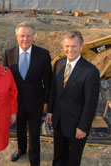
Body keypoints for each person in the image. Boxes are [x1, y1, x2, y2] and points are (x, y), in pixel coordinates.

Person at [46, 30, 100, 166]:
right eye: (67, 46)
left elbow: (90, 103)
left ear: (81, 46)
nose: (70, 50)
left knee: (73, 160)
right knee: (58, 156)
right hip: (58, 121)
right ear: (63, 47)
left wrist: (83, 127)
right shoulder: (59, 63)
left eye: (74, 46)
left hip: (77, 125)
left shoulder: (91, 71)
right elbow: (54, 90)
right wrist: (51, 111)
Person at [3, 22, 52, 166]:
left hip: (36, 101)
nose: (25, 39)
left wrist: (46, 102)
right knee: (20, 129)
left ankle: (34, 159)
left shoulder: (43, 54)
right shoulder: (8, 53)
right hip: (16, 101)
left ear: (33, 36)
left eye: (28, 36)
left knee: (34, 132)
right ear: (17, 36)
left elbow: (47, 81)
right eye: (22, 36)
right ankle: (21, 149)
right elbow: (6, 79)